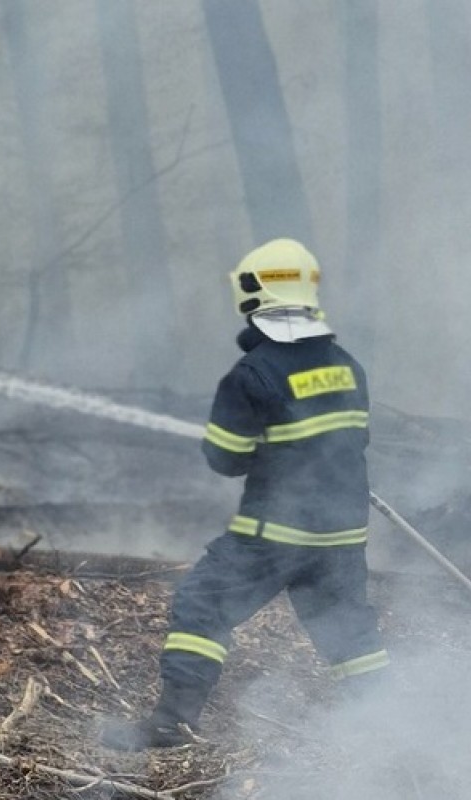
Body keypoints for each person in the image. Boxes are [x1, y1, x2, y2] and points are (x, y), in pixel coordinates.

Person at [99, 238, 390, 751]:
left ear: (255, 293)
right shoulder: (348, 365)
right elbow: (351, 440)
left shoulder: (252, 374)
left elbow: (226, 459)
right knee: (351, 638)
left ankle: (170, 724)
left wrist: (236, 437)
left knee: (202, 607)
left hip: (274, 537)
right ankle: (390, 727)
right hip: (343, 535)